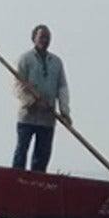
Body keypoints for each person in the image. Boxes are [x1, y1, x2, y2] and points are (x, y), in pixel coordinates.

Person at [12, 24, 71, 172]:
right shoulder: (25, 59)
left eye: (47, 37)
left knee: (42, 155)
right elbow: (17, 87)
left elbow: (62, 87)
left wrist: (65, 112)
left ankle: (38, 183)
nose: (44, 40)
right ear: (34, 38)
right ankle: (16, 180)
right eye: (41, 37)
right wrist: (33, 102)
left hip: (48, 118)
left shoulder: (56, 62)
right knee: (22, 150)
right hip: (28, 116)